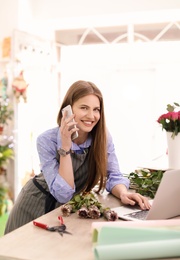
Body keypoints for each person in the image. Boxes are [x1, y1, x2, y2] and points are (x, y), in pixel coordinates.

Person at [5, 80, 151, 234]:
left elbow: (114, 175)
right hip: (33, 203)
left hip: (62, 209)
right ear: (67, 110)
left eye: (96, 109)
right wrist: (66, 147)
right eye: (84, 108)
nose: (91, 115)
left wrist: (123, 193)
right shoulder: (46, 140)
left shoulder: (102, 137)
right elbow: (63, 193)